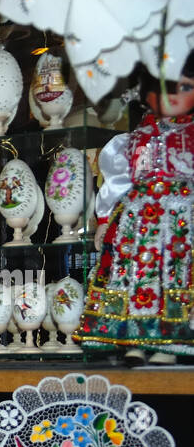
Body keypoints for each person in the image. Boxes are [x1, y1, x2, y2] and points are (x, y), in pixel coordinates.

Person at [76, 52, 194, 362]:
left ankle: (169, 342)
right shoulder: (134, 139)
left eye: (185, 88)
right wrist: (104, 219)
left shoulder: (190, 134)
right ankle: (135, 339)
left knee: (174, 274)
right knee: (138, 277)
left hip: (181, 219)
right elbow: (117, 181)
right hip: (140, 221)